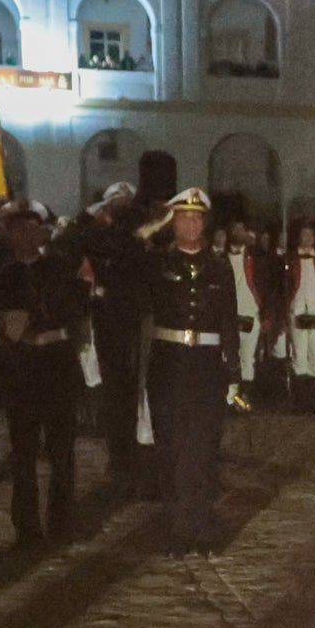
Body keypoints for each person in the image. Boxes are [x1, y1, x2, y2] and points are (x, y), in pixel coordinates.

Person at [0, 200, 88, 542]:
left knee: (61, 452)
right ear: (9, 234)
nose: (26, 235)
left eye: (32, 228)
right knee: (23, 454)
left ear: (41, 231)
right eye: (18, 229)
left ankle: (62, 521)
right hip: (22, 370)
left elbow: (77, 313)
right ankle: (26, 526)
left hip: (57, 364)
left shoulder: (61, 269)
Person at [141, 187, 239, 550]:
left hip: (207, 366)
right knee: (171, 446)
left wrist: (234, 371)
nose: (192, 224)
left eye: (198, 218)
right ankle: (177, 527)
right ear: (173, 222)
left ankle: (199, 522)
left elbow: (228, 319)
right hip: (169, 364)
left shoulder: (219, 266)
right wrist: (151, 226)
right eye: (184, 217)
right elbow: (128, 256)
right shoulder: (157, 263)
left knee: (203, 447)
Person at [75, 184, 147, 498]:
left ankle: (138, 459)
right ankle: (122, 462)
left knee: (139, 397)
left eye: (124, 206)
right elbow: (80, 237)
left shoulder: (140, 238)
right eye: (114, 206)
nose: (119, 211)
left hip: (138, 324)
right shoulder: (98, 238)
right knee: (116, 397)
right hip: (110, 325)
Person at [283, 219, 315, 413]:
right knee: (299, 356)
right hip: (297, 309)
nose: (307, 239)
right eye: (303, 235)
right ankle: (300, 401)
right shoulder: (291, 260)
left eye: (310, 235)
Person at [223, 218, 274, 409]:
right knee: (229, 358)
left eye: (241, 228)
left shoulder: (256, 259)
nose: (238, 232)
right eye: (234, 229)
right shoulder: (220, 259)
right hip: (228, 316)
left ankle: (243, 399)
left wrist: (266, 314)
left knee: (247, 358)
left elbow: (265, 286)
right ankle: (229, 398)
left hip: (250, 313)